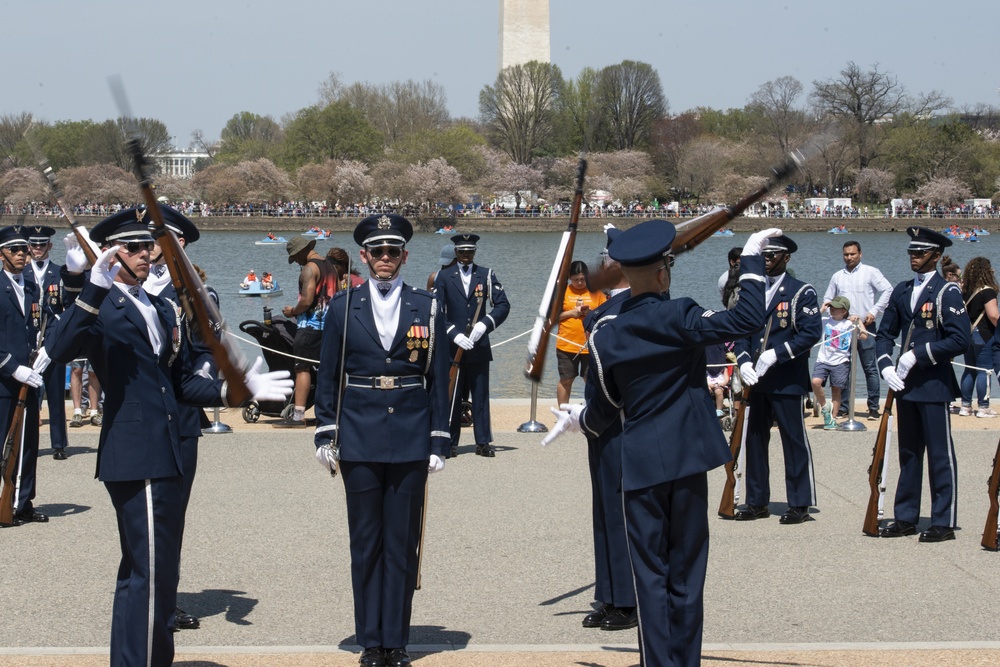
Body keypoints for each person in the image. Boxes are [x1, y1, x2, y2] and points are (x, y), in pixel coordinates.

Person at [43, 211, 292, 666]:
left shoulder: (159, 305)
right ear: (110, 253)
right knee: (152, 574)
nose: (146, 253)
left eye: (148, 246)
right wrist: (88, 284)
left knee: (146, 572)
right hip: (135, 452)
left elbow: (176, 383)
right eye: (133, 247)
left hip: (165, 449)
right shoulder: (102, 307)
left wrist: (237, 390)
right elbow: (59, 351)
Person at [544, 221, 775, 667]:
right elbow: (747, 318)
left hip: (642, 462)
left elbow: (608, 401)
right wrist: (748, 261)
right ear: (664, 273)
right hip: (687, 457)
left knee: (650, 576)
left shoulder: (604, 330)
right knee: (687, 573)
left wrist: (582, 422)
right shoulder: (680, 314)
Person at [313, 214, 450, 667]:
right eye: (378, 252)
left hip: (410, 432)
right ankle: (372, 640)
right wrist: (326, 432)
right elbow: (328, 375)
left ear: (405, 256)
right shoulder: (342, 307)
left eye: (394, 252)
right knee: (366, 541)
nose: (386, 259)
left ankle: (398, 639)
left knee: (402, 540)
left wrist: (438, 438)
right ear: (365, 256)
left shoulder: (427, 306)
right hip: (359, 431)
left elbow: (438, 377)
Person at [141, 206, 211, 632]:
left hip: (180, 418)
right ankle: (139, 595)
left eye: (156, 239)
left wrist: (205, 378)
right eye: (142, 240)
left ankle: (165, 600)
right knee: (136, 515)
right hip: (134, 420)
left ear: (178, 244)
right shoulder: (122, 288)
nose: (147, 248)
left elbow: (206, 354)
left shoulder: (197, 294)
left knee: (170, 516)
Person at [877, 227, 970, 543]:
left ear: (936, 255)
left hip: (933, 383)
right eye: (911, 253)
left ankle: (943, 520)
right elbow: (884, 335)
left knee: (939, 454)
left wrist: (919, 354)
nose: (914, 257)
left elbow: (960, 339)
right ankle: (906, 516)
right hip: (904, 385)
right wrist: (885, 365)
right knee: (909, 453)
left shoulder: (948, 292)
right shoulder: (901, 291)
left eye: (920, 253)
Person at [734, 234, 822, 524]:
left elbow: (810, 333)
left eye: (772, 256)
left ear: (787, 258)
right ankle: (756, 500)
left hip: (786, 377)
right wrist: (744, 360)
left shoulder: (801, 291)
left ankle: (800, 502)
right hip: (757, 380)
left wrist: (777, 353)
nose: (767, 261)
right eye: (764, 256)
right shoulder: (752, 291)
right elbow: (742, 330)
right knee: (755, 439)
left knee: (793, 440)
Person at [577, 225, 637, 632]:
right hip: (600, 422)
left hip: (620, 421)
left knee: (621, 510)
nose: (603, 264)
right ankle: (609, 591)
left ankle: (628, 599)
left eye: (610, 259)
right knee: (603, 510)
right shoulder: (605, 307)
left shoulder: (635, 306)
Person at [434, 234, 510, 458]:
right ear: (456, 253)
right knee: (452, 395)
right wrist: (452, 334)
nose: (466, 256)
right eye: (462, 252)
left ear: (475, 252)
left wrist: (486, 324)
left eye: (470, 252)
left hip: (478, 345)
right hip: (453, 346)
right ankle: (450, 441)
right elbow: (437, 310)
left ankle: (483, 441)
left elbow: (503, 304)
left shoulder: (486, 274)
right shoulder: (443, 276)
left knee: (480, 395)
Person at [0, 225, 46, 525]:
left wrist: (44, 353)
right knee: (3, 442)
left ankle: (23, 502)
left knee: (27, 443)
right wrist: (11, 366)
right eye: (14, 250)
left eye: (24, 249)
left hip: (29, 378)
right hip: (4, 379)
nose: (21, 254)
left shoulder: (31, 286)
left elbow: (39, 326)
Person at [821, 240, 892, 420]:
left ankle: (874, 407)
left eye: (852, 254)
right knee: (843, 367)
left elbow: (888, 290)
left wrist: (874, 311)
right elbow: (828, 298)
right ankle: (844, 406)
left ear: (860, 254)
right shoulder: (837, 276)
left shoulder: (871, 272)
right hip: (843, 328)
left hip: (865, 326)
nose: (849, 257)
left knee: (869, 367)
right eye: (846, 254)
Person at [278, 236, 337, 427]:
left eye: (295, 256)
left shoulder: (309, 269)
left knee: (302, 369)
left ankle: (298, 416)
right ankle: (331, 413)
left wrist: (292, 311)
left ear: (302, 251)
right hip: (330, 327)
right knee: (328, 371)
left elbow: (306, 300)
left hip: (310, 326)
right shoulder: (331, 267)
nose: (295, 261)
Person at [23, 225, 68, 460]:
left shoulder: (60, 272)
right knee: (27, 394)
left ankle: (59, 443)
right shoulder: (22, 273)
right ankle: (25, 440)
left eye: (42, 245)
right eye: (34, 245)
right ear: (28, 247)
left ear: (50, 246)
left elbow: (66, 307)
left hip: (52, 343)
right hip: (29, 343)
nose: (37, 249)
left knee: (56, 394)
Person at [812, 296, 868, 429]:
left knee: (836, 390)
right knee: (815, 382)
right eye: (831, 307)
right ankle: (825, 406)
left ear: (844, 311)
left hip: (841, 361)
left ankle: (831, 419)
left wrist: (859, 321)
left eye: (835, 308)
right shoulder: (825, 320)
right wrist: (821, 309)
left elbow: (864, 336)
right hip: (823, 359)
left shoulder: (849, 324)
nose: (832, 310)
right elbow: (809, 322)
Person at [556, 261, 605, 405]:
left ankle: (592, 413)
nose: (579, 282)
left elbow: (605, 315)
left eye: (583, 279)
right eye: (576, 279)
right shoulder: (563, 291)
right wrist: (572, 313)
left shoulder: (596, 291)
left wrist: (591, 314)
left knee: (590, 380)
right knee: (566, 379)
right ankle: (563, 414)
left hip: (590, 345)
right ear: (570, 278)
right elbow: (552, 318)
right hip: (566, 345)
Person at [958, 256, 998, 418]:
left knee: (969, 369)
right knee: (984, 371)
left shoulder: (965, 290)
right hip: (984, 334)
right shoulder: (988, 291)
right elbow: (994, 315)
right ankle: (983, 406)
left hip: (968, 334)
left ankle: (965, 406)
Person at [705, 342, 731, 418]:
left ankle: (719, 410)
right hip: (708, 382)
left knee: (718, 392)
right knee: (706, 391)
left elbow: (726, 378)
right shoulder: (706, 367)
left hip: (719, 383)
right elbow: (703, 378)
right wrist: (707, 384)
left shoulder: (723, 367)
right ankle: (707, 409)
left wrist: (724, 383)